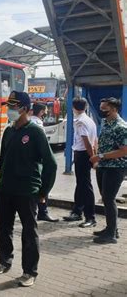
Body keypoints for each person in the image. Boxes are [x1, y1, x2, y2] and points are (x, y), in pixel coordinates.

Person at [0, 91, 57, 288]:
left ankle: (30, 271)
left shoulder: (35, 132)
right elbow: (3, 160)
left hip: (27, 191)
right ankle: (5, 260)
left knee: (29, 232)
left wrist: (44, 191)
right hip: (6, 189)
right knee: (4, 228)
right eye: (9, 106)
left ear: (26, 109)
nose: (10, 110)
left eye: (15, 106)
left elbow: (51, 164)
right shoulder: (9, 131)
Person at [90, 97, 127, 244]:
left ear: (114, 109)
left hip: (116, 167)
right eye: (101, 109)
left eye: (105, 109)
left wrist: (100, 156)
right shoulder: (105, 122)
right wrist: (98, 159)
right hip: (104, 166)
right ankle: (112, 228)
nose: (102, 112)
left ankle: (111, 235)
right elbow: (101, 141)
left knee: (109, 198)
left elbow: (124, 151)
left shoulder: (121, 127)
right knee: (105, 197)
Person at [63, 97, 98, 228]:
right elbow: (95, 140)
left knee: (85, 186)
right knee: (81, 184)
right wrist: (94, 154)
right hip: (85, 154)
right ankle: (77, 211)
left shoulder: (81, 122)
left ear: (74, 108)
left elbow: (87, 141)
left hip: (83, 155)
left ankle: (90, 217)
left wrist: (92, 157)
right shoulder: (90, 120)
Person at [30, 102, 59, 222]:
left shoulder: (28, 121)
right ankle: (43, 211)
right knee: (43, 185)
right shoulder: (38, 125)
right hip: (38, 161)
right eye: (45, 111)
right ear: (42, 112)